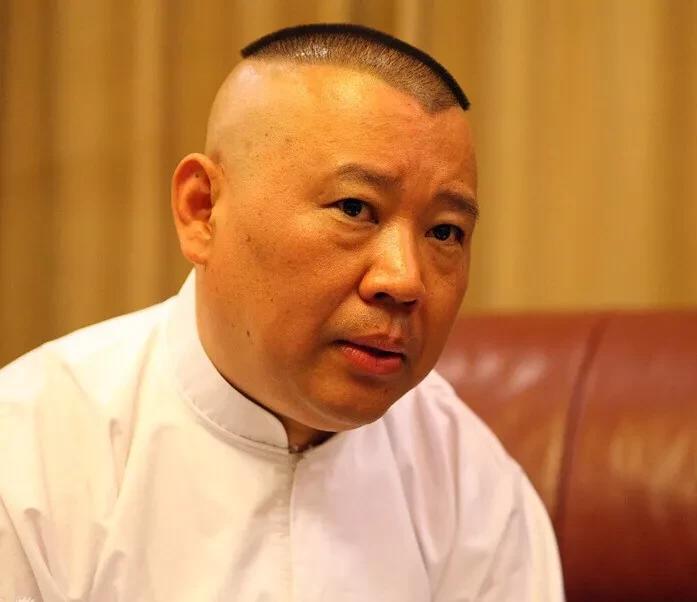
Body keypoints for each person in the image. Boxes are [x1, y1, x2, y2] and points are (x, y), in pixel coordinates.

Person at [0, 23, 564, 601]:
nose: (404, 280)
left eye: (444, 231)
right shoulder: (28, 462)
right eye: (355, 208)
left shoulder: (470, 485)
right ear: (203, 209)